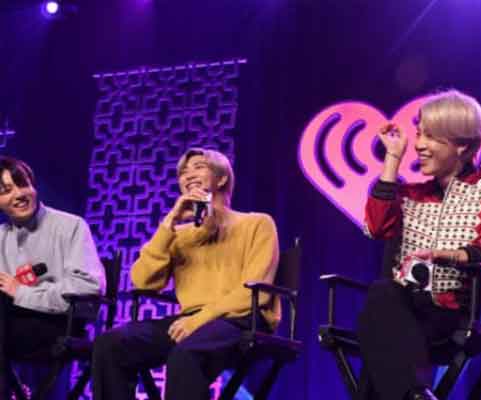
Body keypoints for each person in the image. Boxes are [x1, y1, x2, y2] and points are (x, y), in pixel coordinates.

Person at [359, 90, 481, 400]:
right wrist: (392, 159)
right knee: (383, 303)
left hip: (452, 313)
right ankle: (417, 395)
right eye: (419, 134)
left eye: (431, 137)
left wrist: (452, 255)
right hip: (402, 306)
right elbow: (376, 228)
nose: (418, 145)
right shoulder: (411, 194)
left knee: (379, 330)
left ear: (463, 146)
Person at [91, 148, 280, 400]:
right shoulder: (180, 235)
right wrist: (169, 223)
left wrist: (199, 319)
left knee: (185, 353)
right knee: (110, 345)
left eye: (199, 167)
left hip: (243, 318)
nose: (188, 175)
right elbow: (143, 281)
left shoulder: (257, 223)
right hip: (191, 320)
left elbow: (256, 293)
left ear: (222, 178)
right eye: (182, 172)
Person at [0, 156, 105, 398]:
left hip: (59, 326)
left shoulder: (71, 226)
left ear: (33, 186)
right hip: (10, 326)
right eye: (6, 191)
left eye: (22, 184)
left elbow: (89, 286)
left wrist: (22, 293)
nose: (18, 194)